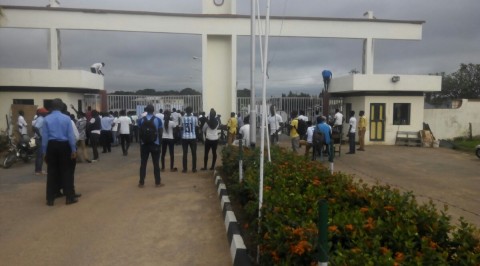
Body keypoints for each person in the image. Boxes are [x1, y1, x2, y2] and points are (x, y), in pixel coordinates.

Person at [42, 98, 78, 206]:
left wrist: (44, 152)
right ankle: (69, 198)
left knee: (52, 172)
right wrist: (73, 149)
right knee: (66, 171)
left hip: (51, 146)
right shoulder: (66, 118)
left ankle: (50, 199)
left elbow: (45, 137)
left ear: (51, 107)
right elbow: (70, 136)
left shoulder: (46, 119)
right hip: (64, 146)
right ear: (61, 107)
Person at [138, 104, 163, 187]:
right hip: (155, 144)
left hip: (144, 144)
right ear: (153, 110)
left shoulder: (141, 120)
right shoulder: (158, 120)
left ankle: (141, 182)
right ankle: (157, 182)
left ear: (146, 111)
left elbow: (139, 132)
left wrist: (141, 142)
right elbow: (160, 132)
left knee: (143, 164)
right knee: (156, 164)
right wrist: (159, 144)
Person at [181, 106, 198, 173]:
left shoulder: (183, 118)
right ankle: (194, 169)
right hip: (193, 137)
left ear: (185, 111)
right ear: (191, 111)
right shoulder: (195, 118)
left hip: (184, 137)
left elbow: (181, 127)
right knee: (194, 153)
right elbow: (196, 127)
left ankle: (185, 169)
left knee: (185, 153)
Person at [33, 108, 48, 175]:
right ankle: (38, 171)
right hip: (40, 139)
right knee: (40, 155)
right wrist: (40, 135)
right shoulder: (41, 119)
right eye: (45, 112)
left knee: (40, 155)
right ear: (41, 113)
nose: (46, 113)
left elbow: (34, 127)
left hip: (39, 139)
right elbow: (35, 128)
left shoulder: (39, 119)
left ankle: (38, 170)